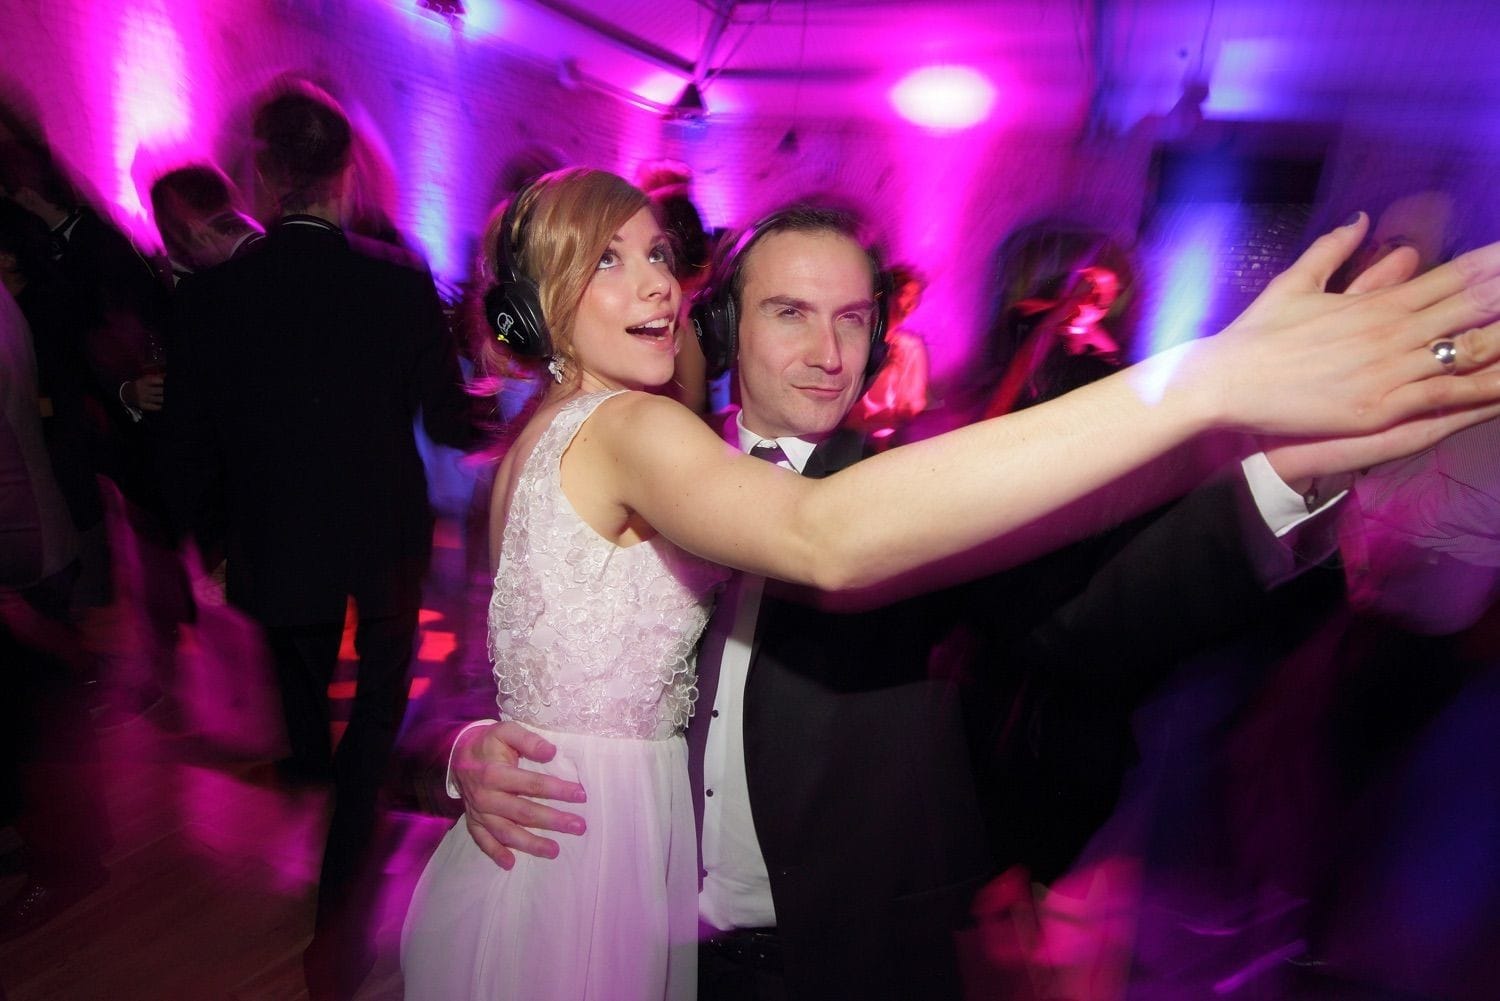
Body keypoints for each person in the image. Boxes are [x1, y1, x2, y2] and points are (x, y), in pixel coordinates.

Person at [407, 162, 1500, 999]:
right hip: (636, 935)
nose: (830, 351)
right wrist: (467, 748)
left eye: (853, 316)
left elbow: (1093, 611)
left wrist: (1278, 466)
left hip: (846, 954)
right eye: (790, 310)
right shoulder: (648, 459)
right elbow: (516, 657)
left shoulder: (911, 495)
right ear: (726, 323)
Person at [159, 80, 474, 998]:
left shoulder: (211, 301)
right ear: (344, 175)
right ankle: (339, 901)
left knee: (309, 705)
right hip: (384, 538)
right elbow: (447, 423)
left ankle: (320, 796)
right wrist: (489, 397)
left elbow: (186, 447)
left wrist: (206, 543)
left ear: (262, 176)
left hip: (274, 541)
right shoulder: (399, 279)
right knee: (372, 722)